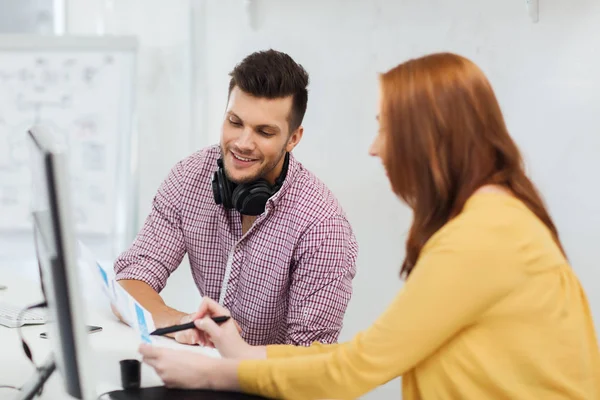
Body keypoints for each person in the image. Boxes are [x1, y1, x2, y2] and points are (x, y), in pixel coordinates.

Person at [138, 52, 600, 399]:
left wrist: (214, 371)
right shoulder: (491, 219)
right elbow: (362, 357)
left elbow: (357, 367)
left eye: (385, 127)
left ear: (427, 138)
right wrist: (233, 348)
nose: (375, 148)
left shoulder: (485, 237)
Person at [114, 49, 358, 347]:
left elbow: (312, 361)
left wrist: (234, 359)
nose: (243, 143)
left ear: (293, 138)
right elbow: (130, 280)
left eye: (264, 132)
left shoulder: (323, 226)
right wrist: (177, 322)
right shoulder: (189, 177)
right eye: (235, 122)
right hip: (210, 373)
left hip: (269, 387)